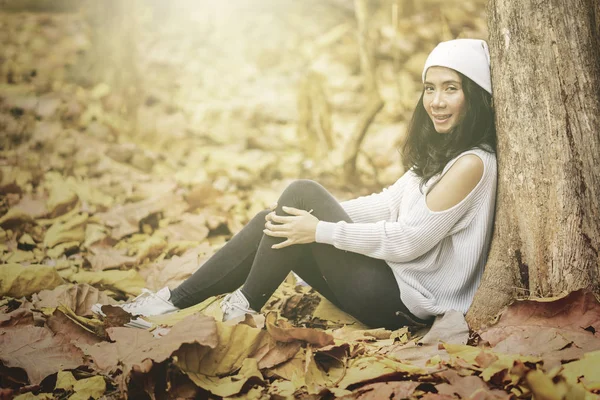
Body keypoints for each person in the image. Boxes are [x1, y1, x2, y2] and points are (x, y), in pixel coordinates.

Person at [92, 39, 497, 330]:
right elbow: (387, 203)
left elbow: (409, 241)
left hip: (400, 303)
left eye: (451, 89)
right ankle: (169, 305)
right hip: (387, 286)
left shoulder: (471, 164)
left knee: (301, 194)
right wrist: (311, 218)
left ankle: (237, 315)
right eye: (430, 88)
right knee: (278, 217)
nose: (436, 101)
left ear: (475, 96)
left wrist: (321, 227)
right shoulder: (443, 152)